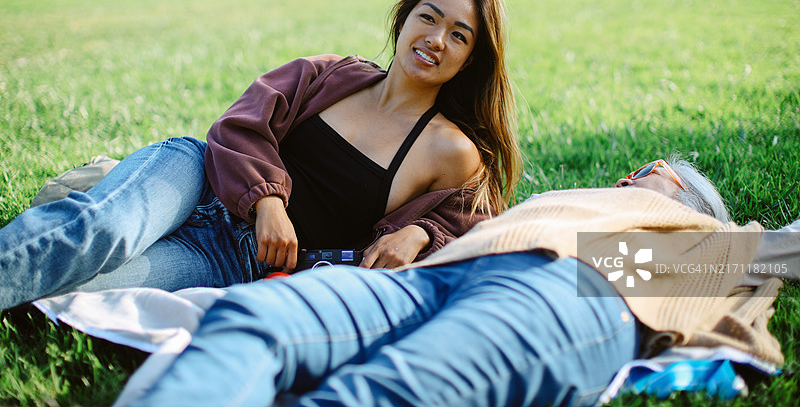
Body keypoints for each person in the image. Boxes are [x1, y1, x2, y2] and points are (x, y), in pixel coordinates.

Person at [0, 0, 521, 311]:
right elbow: (238, 126)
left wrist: (423, 235)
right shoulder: (327, 74)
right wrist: (268, 201)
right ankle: (94, 203)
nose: (435, 39)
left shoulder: (449, 150)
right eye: (428, 18)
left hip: (233, 261)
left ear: (471, 59)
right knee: (102, 231)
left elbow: (478, 228)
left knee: (77, 292)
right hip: (195, 178)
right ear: (403, 18)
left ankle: (87, 194)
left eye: (459, 34)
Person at [118, 157, 784, 407]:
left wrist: (727, 240)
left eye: (654, 170)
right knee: (254, 317)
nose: (631, 176)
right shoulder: (561, 200)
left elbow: (787, 249)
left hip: (573, 289)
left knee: (375, 394)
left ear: (688, 196)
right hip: (437, 278)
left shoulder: (708, 240)